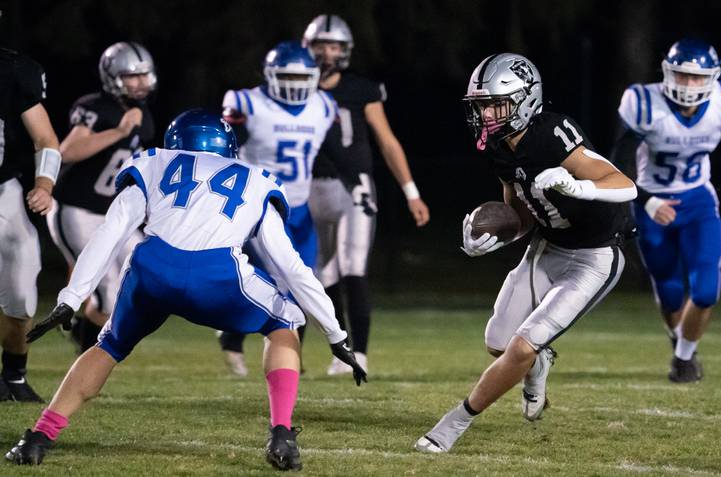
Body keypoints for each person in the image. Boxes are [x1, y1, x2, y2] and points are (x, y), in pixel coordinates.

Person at [4, 110, 366, 470]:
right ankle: (282, 434)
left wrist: (70, 298)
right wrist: (335, 334)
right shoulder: (256, 179)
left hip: (154, 270)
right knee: (284, 321)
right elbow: (290, 266)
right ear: (228, 146)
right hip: (217, 275)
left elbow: (110, 233)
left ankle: (38, 437)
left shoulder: (153, 163)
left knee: (108, 345)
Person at [415, 53, 636, 454]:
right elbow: (520, 212)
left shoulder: (552, 133)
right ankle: (540, 363)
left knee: (520, 347)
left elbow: (624, 185)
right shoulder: (500, 147)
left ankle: (453, 424)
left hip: (595, 255)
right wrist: (493, 239)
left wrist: (580, 187)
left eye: (493, 104)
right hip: (547, 248)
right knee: (499, 342)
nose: (485, 115)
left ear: (525, 99)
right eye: (480, 107)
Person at [611, 39, 721, 383]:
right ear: (668, 73)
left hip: (698, 200)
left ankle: (684, 359)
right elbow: (619, 161)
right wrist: (646, 200)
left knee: (705, 289)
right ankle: (680, 345)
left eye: (696, 77)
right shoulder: (644, 103)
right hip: (651, 203)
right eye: (682, 76)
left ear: (711, 78)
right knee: (670, 289)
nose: (688, 85)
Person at [302, 14, 430, 375]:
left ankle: (360, 353)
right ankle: (339, 351)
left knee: (353, 267)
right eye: (321, 46)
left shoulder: (361, 89)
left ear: (344, 51)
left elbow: (388, 142)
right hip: (308, 187)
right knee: (321, 274)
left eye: (333, 46)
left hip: (353, 187)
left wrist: (411, 193)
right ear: (308, 49)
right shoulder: (297, 88)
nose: (327, 53)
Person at [217, 40, 336, 376]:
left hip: (299, 209)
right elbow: (226, 149)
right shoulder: (246, 103)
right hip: (260, 208)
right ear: (270, 75)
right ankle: (259, 348)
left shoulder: (324, 106)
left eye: (302, 79)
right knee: (278, 282)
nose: (296, 86)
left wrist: (355, 180)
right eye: (288, 78)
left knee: (303, 283)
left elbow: (328, 152)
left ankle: (277, 353)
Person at [46, 41, 156, 352]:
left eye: (144, 75)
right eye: (132, 76)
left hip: (112, 213)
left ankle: (83, 330)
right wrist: (119, 133)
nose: (140, 83)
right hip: (76, 209)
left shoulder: (142, 114)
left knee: (146, 266)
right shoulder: (95, 107)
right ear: (113, 77)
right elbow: (67, 152)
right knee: (108, 288)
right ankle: (87, 355)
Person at [0, 47, 61, 403]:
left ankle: (15, 374)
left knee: (22, 291)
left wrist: (44, 184)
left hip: (3, 190)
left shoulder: (13, 71)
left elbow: (46, 139)